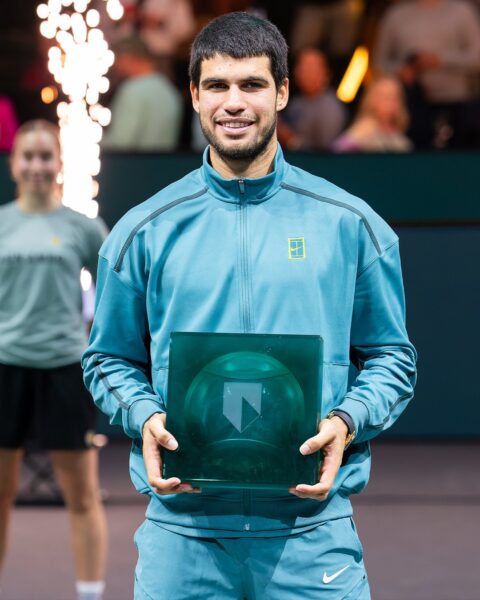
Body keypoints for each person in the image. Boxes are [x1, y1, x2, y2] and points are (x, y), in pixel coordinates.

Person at [83, 12, 417, 600]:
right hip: (182, 534)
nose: (233, 103)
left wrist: (347, 420)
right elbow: (106, 359)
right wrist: (144, 416)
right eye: (216, 85)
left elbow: (393, 358)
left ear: (282, 91)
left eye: (252, 85)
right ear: (193, 94)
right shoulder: (143, 231)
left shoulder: (351, 225)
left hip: (310, 533)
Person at [0, 120, 108, 600]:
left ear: (60, 164)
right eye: (29, 156)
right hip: (6, 370)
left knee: (82, 497)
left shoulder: (81, 227)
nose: (38, 165)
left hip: (66, 369)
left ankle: (90, 593)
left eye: (47, 156)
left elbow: (118, 293)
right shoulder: (2, 223)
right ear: (14, 164)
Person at [373, 0, 480, 149]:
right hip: (409, 105)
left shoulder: (462, 11)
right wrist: (401, 71)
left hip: (458, 104)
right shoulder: (396, 14)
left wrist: (440, 60)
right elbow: (379, 63)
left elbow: (477, 57)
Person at [102, 35, 183, 152]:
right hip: (162, 165)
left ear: (129, 58)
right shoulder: (169, 90)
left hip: (133, 166)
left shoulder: (132, 90)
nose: (115, 66)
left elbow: (120, 142)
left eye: (118, 59)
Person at [278, 47, 347, 151]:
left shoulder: (330, 107)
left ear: (325, 74)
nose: (303, 72)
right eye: (301, 66)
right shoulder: (296, 101)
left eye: (310, 68)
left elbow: (326, 153)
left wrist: (289, 139)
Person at [333, 75, 412, 152]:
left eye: (395, 97)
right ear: (371, 100)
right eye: (385, 97)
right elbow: (336, 152)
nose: (390, 103)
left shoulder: (402, 140)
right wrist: (354, 137)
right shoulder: (362, 130)